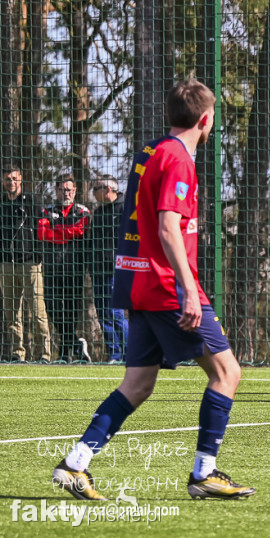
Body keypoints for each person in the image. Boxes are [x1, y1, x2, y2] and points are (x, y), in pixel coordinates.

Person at [53, 78, 255, 501]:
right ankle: (204, 472)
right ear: (205, 119)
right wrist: (187, 289)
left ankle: (75, 464)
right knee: (227, 373)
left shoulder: (151, 150)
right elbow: (166, 226)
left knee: (138, 384)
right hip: (166, 287)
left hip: (139, 283)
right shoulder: (178, 159)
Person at [38, 173, 90, 362]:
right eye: (61, 189)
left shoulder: (83, 211)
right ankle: (76, 342)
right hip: (51, 267)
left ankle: (65, 353)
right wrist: (68, 234)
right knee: (51, 306)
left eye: (69, 189)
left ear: (75, 190)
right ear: (56, 190)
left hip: (75, 267)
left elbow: (81, 229)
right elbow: (43, 234)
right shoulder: (47, 210)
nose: (65, 193)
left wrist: (57, 231)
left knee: (71, 310)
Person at [1, 165, 50, 362]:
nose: (11, 182)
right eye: (7, 179)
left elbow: (42, 230)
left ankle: (45, 354)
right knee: (12, 314)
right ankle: (17, 354)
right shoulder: (2, 204)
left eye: (14, 178)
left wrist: (38, 256)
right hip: (6, 264)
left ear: (20, 179)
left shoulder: (33, 202)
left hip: (30, 263)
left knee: (38, 311)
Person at [85, 175, 127, 362]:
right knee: (103, 314)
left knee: (115, 313)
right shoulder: (99, 212)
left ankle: (129, 352)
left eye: (96, 189)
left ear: (108, 190)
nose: (93, 194)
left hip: (116, 271)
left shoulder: (126, 209)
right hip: (98, 271)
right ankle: (114, 354)